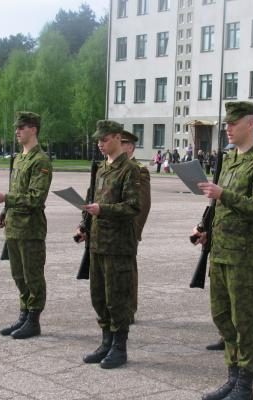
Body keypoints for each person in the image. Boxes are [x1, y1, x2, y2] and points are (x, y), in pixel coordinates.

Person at [194, 101, 253, 400]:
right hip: (219, 254)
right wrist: (205, 230)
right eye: (226, 124)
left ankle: (245, 384)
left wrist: (223, 194)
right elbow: (218, 207)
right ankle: (232, 375)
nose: (228, 128)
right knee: (222, 318)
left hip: (244, 258)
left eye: (233, 123)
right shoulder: (228, 160)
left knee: (245, 322)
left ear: (251, 124)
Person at [76, 120, 140, 369]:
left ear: (117, 138)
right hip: (98, 244)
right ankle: (106, 341)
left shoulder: (129, 170)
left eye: (104, 140)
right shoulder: (101, 168)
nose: (100, 144)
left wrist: (103, 210)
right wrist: (84, 224)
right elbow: (91, 199)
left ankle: (119, 347)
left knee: (117, 298)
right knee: (99, 297)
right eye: (98, 141)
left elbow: (133, 206)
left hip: (118, 246)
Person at [0, 111, 52, 340]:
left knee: (32, 275)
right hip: (14, 226)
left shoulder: (40, 160)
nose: (17, 131)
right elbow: (15, 191)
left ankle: (34, 320)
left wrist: (6, 199)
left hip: (31, 228)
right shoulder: (19, 158)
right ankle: (24, 314)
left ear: (33, 129)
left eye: (21, 127)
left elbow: (36, 197)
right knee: (18, 274)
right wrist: (4, 212)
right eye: (17, 127)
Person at [121, 130, 152, 323]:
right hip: (109, 230)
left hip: (128, 230)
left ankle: (129, 309)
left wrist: (135, 231)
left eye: (121, 142)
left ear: (130, 147)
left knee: (127, 270)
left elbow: (143, 204)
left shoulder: (139, 169)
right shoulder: (109, 167)